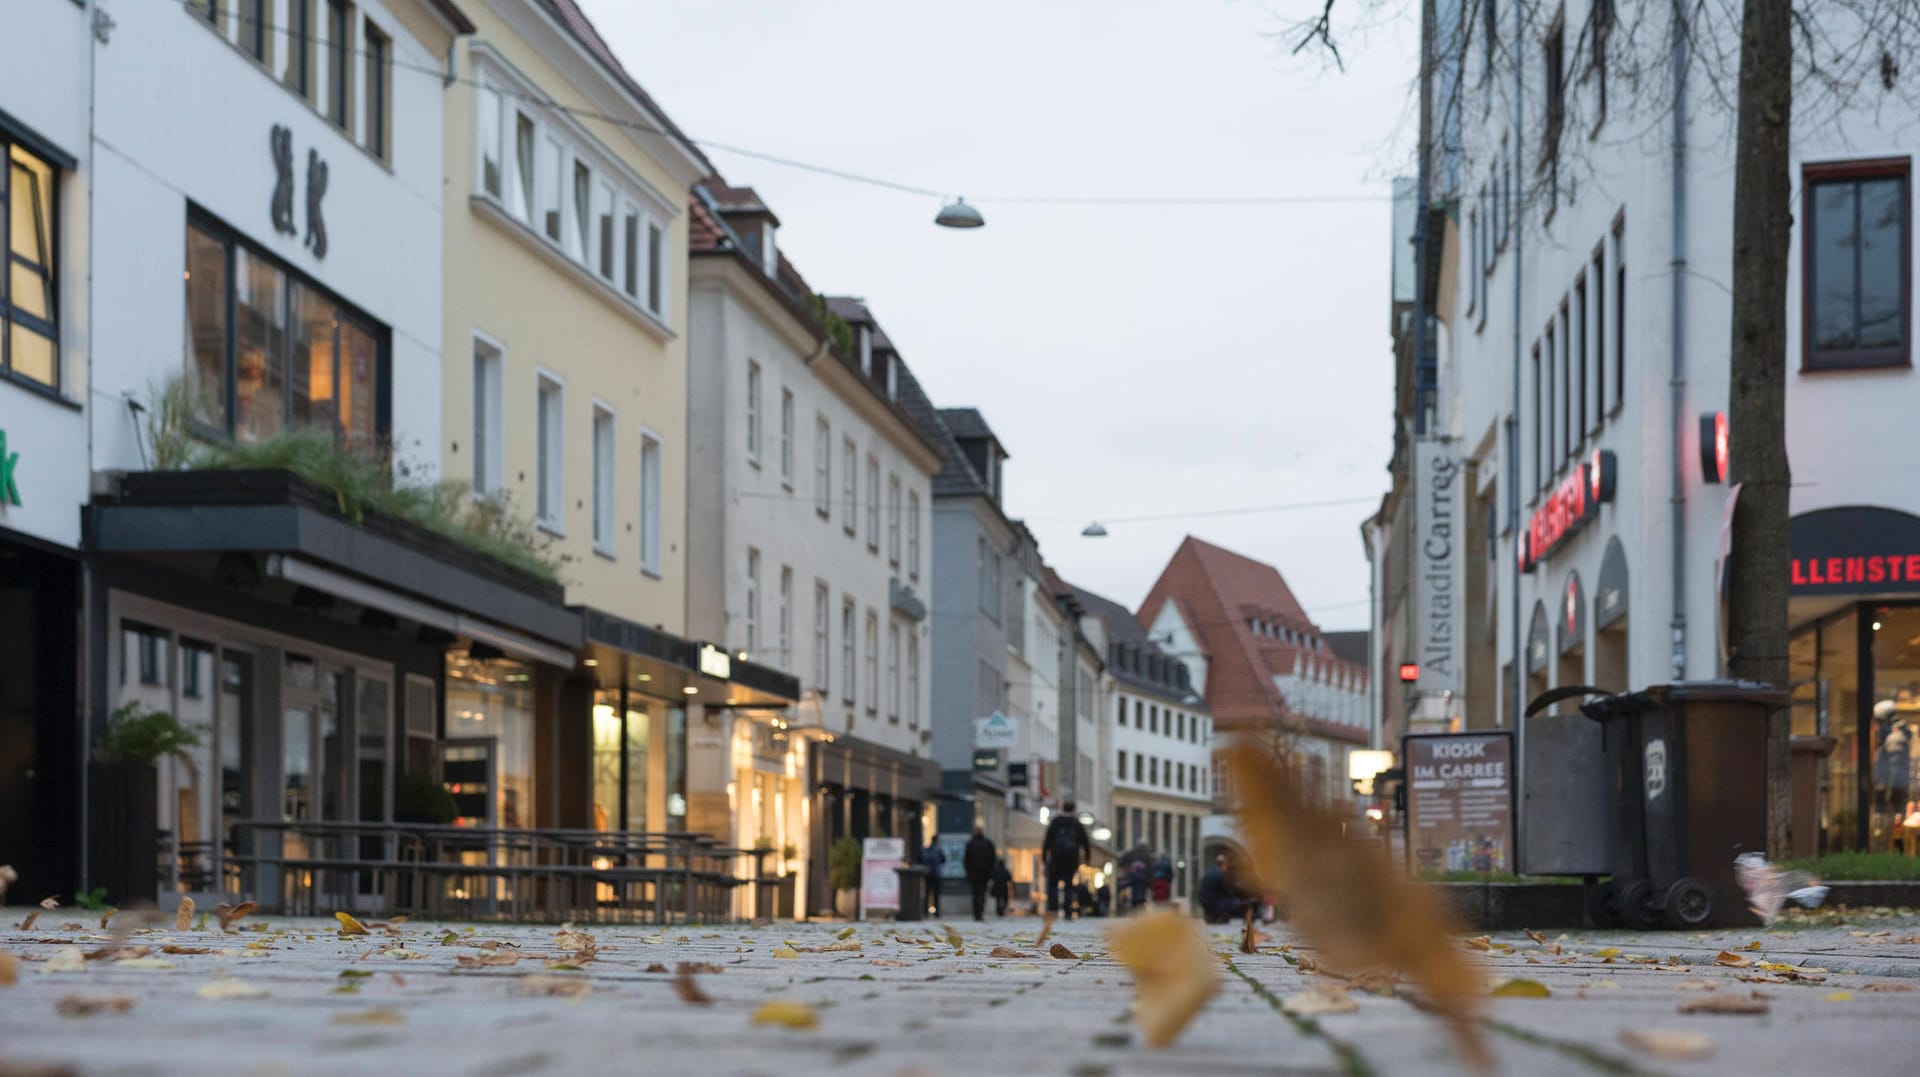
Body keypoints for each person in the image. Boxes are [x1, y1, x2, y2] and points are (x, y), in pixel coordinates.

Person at [1040, 799, 1092, 919]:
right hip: (1071, 859)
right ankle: (1068, 912)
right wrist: (1087, 858)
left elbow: (1047, 840)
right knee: (1069, 885)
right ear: (1073, 809)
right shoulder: (1076, 823)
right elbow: (1085, 842)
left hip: (1056, 858)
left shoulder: (1056, 821)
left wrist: (1044, 856)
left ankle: (1052, 910)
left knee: (1053, 884)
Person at [1197, 853, 1251, 924]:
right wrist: (1236, 899)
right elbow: (1226, 891)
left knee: (1223, 900)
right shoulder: (1220, 874)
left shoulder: (1208, 872)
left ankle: (1213, 916)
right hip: (1214, 903)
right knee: (1239, 904)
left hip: (1203, 902)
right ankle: (1220, 916)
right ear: (1224, 865)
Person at [962, 826, 997, 922]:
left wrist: (968, 872)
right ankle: (980, 913)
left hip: (974, 874)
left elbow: (966, 860)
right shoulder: (988, 843)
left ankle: (976, 914)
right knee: (982, 894)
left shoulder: (970, 844)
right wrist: (991, 873)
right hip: (985, 874)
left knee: (975, 894)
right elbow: (993, 859)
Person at [921, 838, 947, 917]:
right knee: (936, 895)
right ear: (937, 841)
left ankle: (925, 912)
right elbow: (943, 860)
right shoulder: (939, 850)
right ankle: (937, 912)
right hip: (937, 874)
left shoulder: (927, 850)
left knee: (927, 894)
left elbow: (923, 860)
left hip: (928, 874)